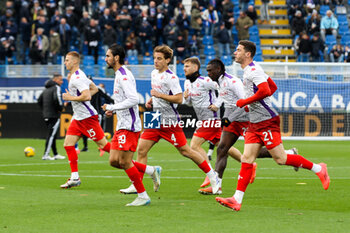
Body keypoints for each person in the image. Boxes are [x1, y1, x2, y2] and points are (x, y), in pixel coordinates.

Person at [216, 40, 330, 211]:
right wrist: (253, 104)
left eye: (238, 50)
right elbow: (272, 87)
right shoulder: (251, 70)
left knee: (281, 159)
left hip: (266, 122)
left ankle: (318, 168)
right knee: (247, 159)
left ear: (247, 54)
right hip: (255, 122)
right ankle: (236, 199)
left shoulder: (253, 71)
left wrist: (246, 101)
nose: (235, 53)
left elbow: (266, 90)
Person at [120, 45, 220, 194]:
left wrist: (159, 95)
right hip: (155, 117)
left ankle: (213, 176)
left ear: (167, 60)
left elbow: (179, 99)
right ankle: (137, 185)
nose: (156, 61)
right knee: (141, 150)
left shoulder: (171, 77)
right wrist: (152, 100)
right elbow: (158, 94)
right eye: (155, 58)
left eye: (159, 59)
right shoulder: (154, 73)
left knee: (186, 151)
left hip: (169, 120)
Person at [199, 58, 298, 194]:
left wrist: (230, 118)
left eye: (210, 71)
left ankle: (289, 154)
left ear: (218, 70)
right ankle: (217, 186)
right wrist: (219, 108)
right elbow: (225, 98)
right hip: (232, 121)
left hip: (246, 119)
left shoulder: (234, 82)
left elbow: (245, 102)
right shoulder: (219, 82)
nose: (208, 74)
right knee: (222, 148)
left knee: (253, 152)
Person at [101, 44, 160, 206]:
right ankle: (150, 170)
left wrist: (112, 107)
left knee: (125, 162)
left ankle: (142, 196)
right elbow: (124, 100)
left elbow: (133, 99)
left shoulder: (124, 75)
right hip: (121, 123)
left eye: (108, 56)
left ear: (116, 58)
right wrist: (113, 111)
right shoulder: (118, 74)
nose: (105, 59)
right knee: (114, 161)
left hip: (129, 125)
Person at [60, 51, 111, 189]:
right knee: (68, 145)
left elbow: (87, 96)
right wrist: (76, 100)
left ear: (75, 61)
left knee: (105, 147)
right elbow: (94, 88)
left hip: (88, 118)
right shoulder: (79, 75)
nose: (65, 63)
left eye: (67, 60)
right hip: (78, 117)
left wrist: (70, 98)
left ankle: (132, 163)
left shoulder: (77, 78)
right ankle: (75, 177)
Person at [37, 73, 66, 161]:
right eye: (60, 80)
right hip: (54, 115)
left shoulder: (46, 89)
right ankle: (46, 154)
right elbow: (56, 99)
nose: (62, 82)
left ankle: (55, 154)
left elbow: (39, 100)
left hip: (46, 115)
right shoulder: (56, 88)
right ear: (55, 80)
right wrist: (61, 108)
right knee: (51, 135)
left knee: (52, 135)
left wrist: (45, 110)